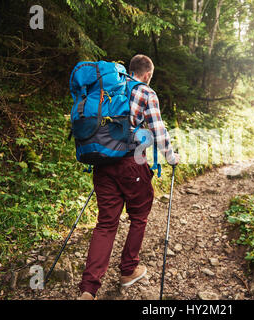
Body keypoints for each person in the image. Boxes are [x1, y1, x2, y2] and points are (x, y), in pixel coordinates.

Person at [78, 54, 180, 300]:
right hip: (131, 163)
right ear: (147, 74)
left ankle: (88, 289)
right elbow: (157, 130)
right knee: (139, 215)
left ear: (129, 70)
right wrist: (171, 156)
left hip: (102, 162)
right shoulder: (146, 92)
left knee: (105, 223)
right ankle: (128, 270)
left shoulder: (110, 88)